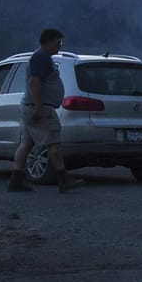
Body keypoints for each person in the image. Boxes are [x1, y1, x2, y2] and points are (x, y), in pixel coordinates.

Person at [8, 28, 83, 192]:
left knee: (26, 143)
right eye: (58, 42)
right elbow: (35, 82)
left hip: (32, 106)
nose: (60, 46)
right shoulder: (40, 58)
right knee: (54, 143)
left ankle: (16, 179)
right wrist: (38, 107)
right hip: (41, 108)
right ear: (48, 41)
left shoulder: (43, 58)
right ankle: (63, 178)